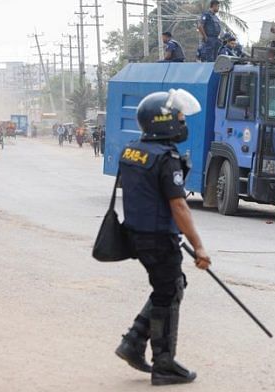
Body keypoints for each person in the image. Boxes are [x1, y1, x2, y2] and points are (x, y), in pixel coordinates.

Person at [115, 89, 210, 386]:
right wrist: (199, 246)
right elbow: (179, 205)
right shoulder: (166, 158)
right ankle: (164, 364)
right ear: (163, 122)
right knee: (168, 293)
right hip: (157, 238)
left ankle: (133, 342)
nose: (183, 123)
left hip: (139, 234)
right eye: (179, 118)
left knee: (169, 287)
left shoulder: (132, 150)